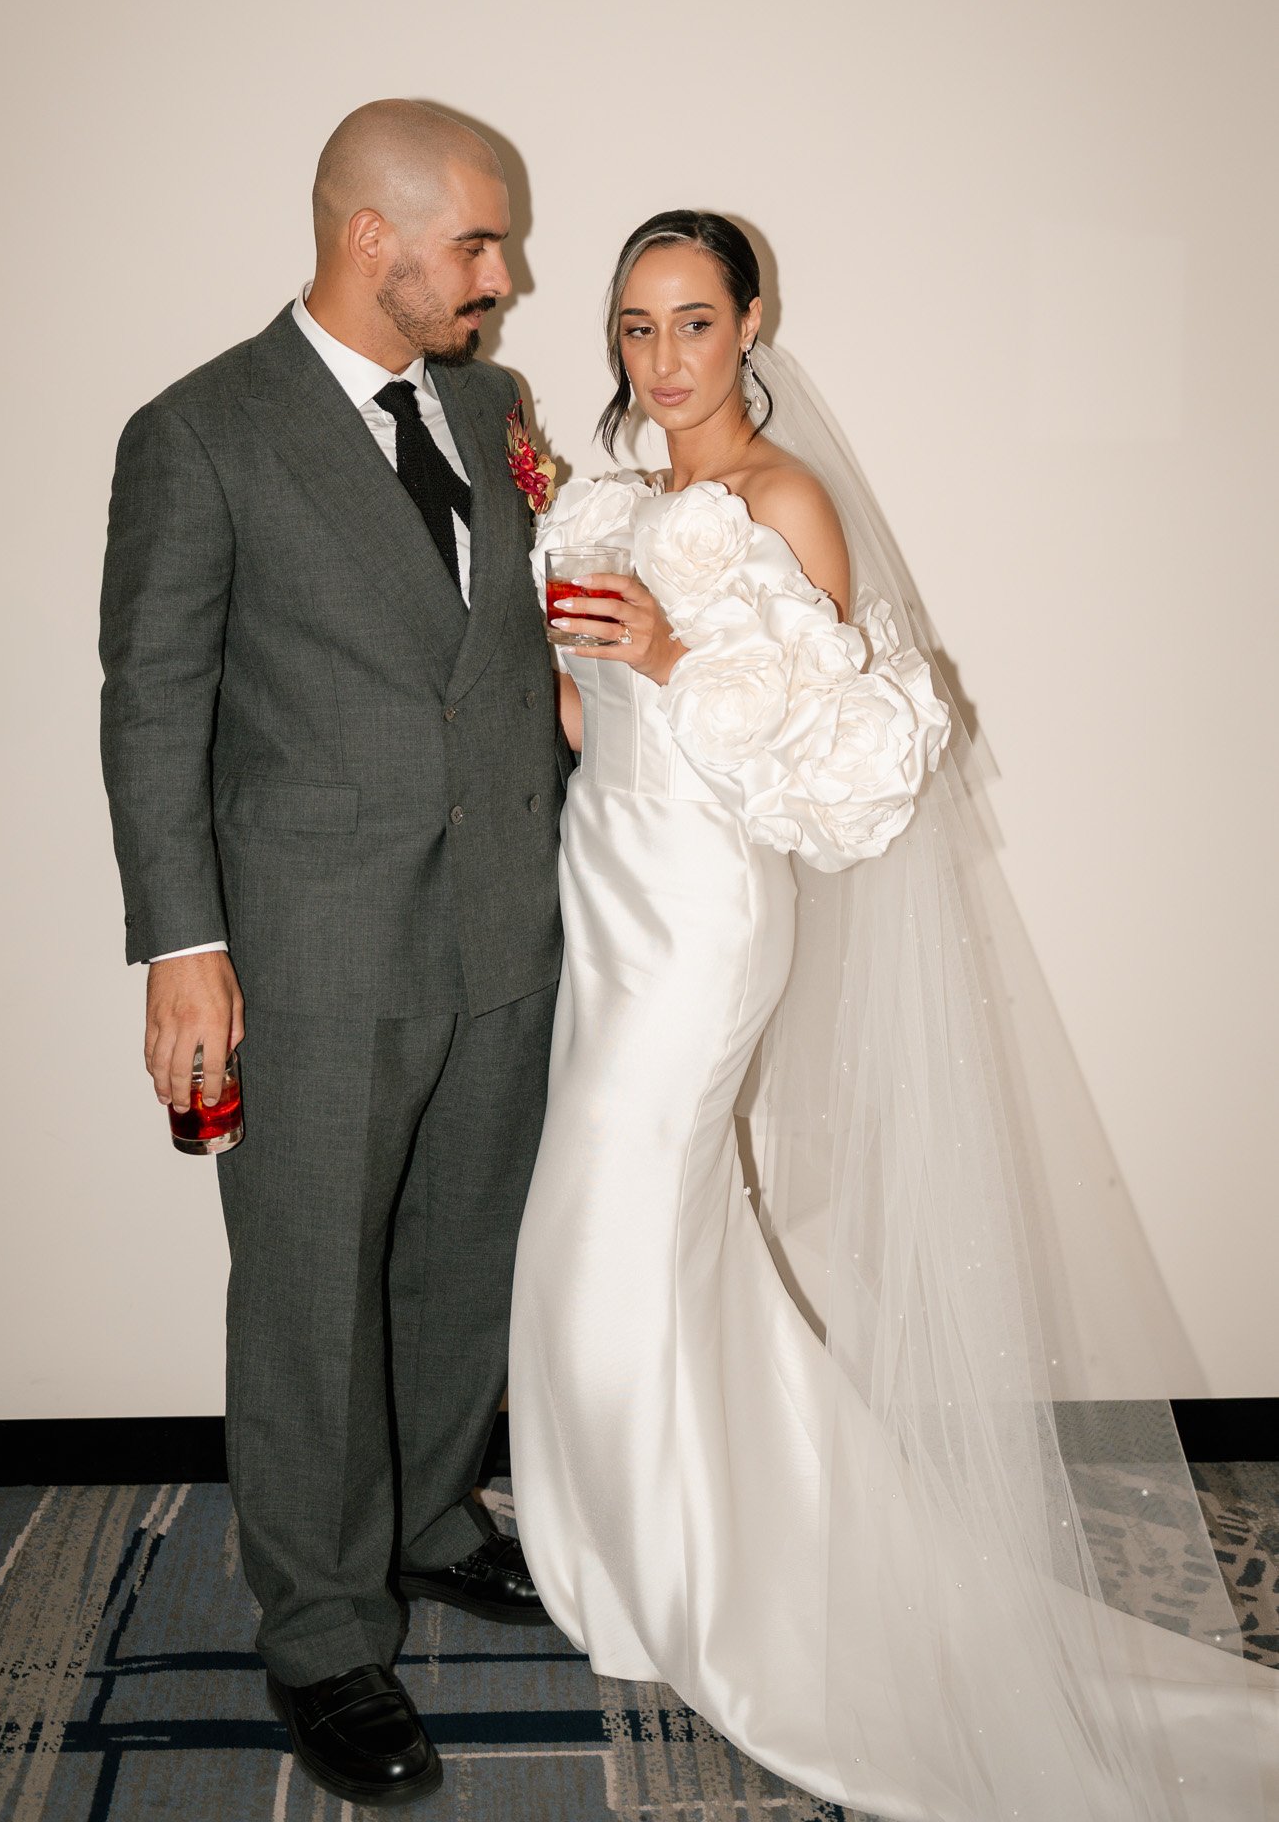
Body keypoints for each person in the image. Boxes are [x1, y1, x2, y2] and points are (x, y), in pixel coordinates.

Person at [509, 211, 1279, 1819]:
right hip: (608, 888)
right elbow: (597, 727)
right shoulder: (623, 499)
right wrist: (572, 662)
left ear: (752, 322)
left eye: (693, 324)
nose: (662, 359)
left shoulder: (784, 501)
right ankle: (640, 1553)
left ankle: (682, 1577)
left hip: (708, 912)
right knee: (638, 1234)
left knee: (612, 1222)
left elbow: (818, 760)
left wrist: (660, 646)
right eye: (635, 328)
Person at [99, 100, 562, 1808]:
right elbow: (152, 704)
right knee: (305, 1297)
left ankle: (430, 1518)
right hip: (308, 943)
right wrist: (181, 947)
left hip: (507, 916)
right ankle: (319, 1636)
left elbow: (496, 653)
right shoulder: (200, 433)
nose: (501, 277)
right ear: (373, 239)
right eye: (478, 244)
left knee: (463, 1256)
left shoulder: (491, 405)